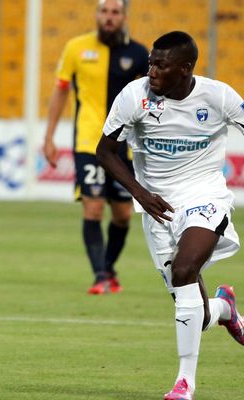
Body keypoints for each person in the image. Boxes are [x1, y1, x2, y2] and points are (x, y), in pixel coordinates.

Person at [97, 30, 244, 399]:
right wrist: (141, 194)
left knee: (184, 269)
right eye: (150, 62)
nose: (152, 72)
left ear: (185, 68)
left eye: (161, 65)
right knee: (189, 303)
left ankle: (185, 383)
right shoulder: (134, 96)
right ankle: (224, 310)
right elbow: (105, 151)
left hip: (204, 194)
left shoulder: (218, 96)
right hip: (158, 206)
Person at [43, 0, 149, 294]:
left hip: (125, 148)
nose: (109, 18)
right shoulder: (76, 48)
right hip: (88, 143)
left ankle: (109, 267)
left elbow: (152, 101)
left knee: (123, 214)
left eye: (115, 12)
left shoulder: (139, 55)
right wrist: (49, 136)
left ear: (124, 16)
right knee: (92, 207)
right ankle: (100, 275)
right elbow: (60, 91)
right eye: (104, 12)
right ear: (97, 15)